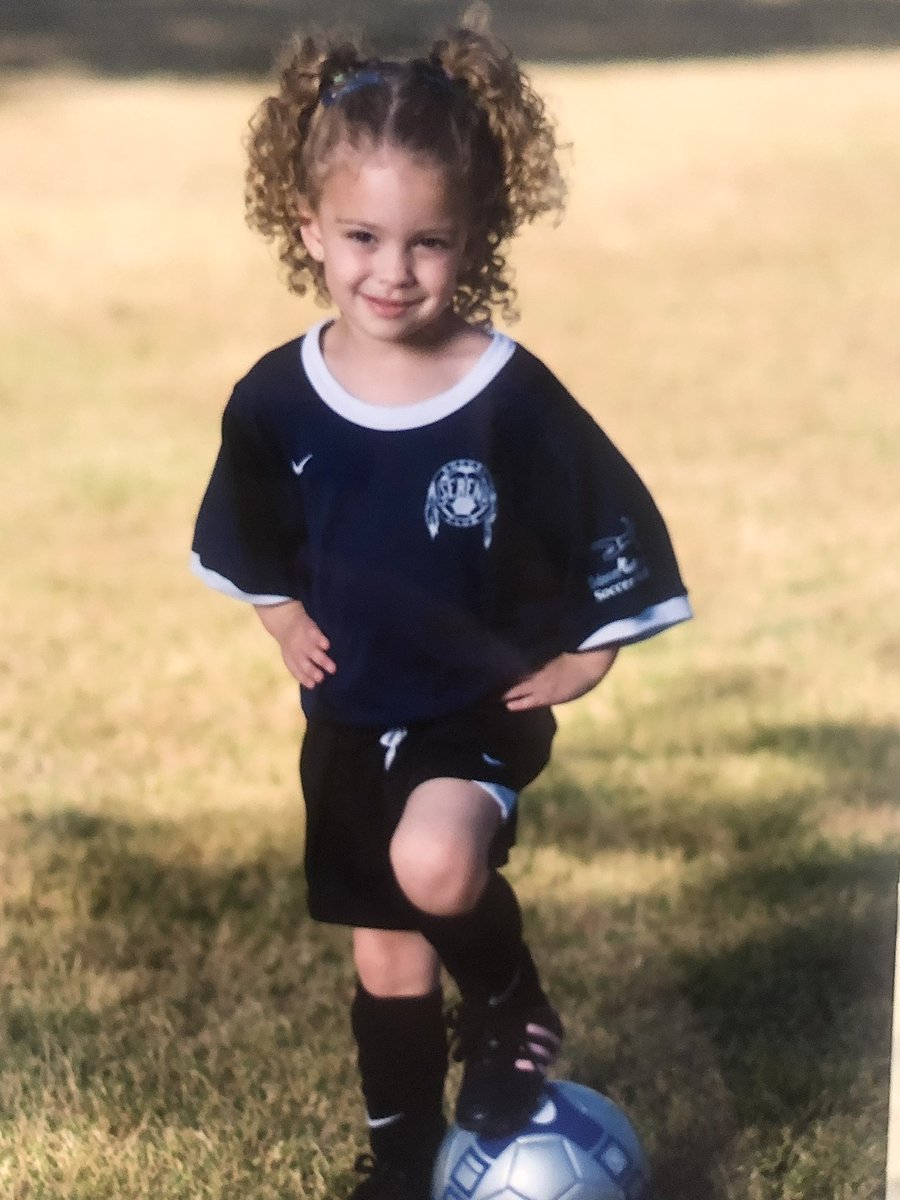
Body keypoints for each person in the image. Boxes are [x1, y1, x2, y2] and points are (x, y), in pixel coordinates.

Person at [191, 18, 692, 1200]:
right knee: (388, 957)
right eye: (361, 237)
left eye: (428, 242)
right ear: (307, 226)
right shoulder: (278, 397)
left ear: (474, 239)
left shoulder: (507, 396)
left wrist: (591, 652)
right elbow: (250, 530)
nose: (392, 271)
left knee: (435, 863)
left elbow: (605, 514)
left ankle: (513, 998)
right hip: (352, 711)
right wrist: (277, 617)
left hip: (476, 701)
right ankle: (401, 1168)